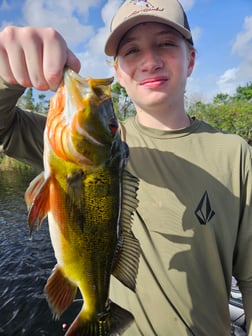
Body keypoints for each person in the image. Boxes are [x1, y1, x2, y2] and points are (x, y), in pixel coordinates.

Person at [0, 0, 251, 335]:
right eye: (132, 50)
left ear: (190, 59)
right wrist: (8, 76)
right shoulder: (85, 148)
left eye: (165, 43)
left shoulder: (236, 154)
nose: (150, 60)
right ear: (117, 71)